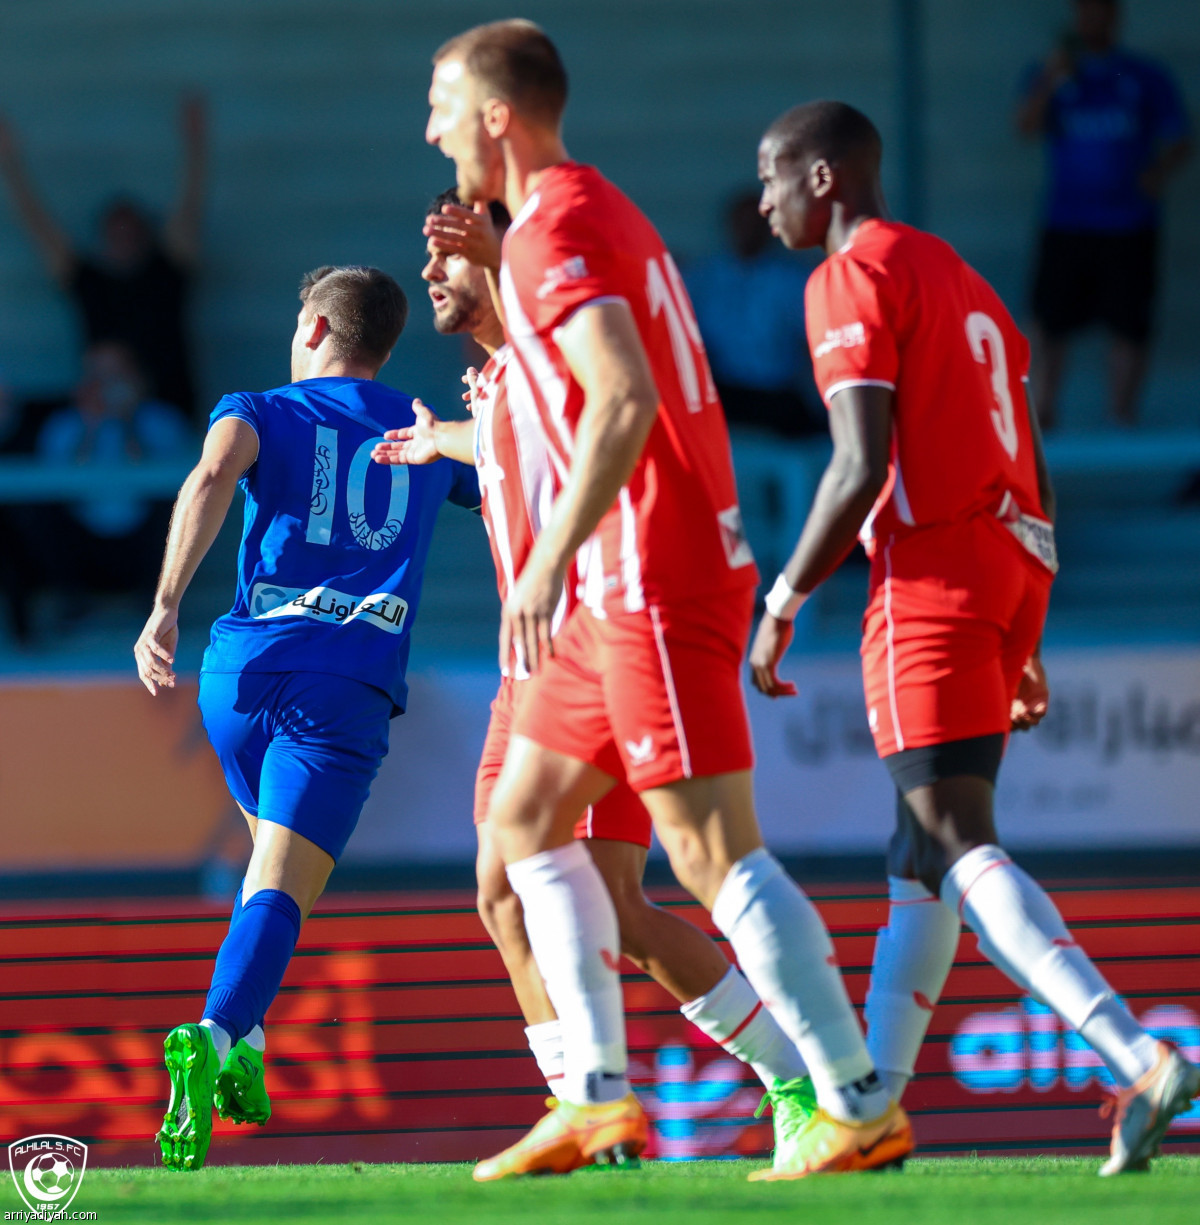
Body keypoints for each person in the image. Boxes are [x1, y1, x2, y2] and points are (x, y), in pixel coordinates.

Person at [425, 20, 911, 1182]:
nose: (430, 126)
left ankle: (851, 1098)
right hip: (607, 590)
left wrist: (546, 561)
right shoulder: (559, 226)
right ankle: (596, 1099)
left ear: (498, 115)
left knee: (706, 852)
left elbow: (623, 397)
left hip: (647, 571)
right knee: (522, 831)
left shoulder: (560, 227)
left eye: (440, 102)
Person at [748, 98, 1200, 1177]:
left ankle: (1136, 1055)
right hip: (1007, 562)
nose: (761, 202)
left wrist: (781, 599)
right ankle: (873, 1112)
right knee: (918, 859)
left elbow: (856, 465)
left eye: (772, 177)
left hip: (932, 572)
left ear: (824, 180)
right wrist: (1028, 626)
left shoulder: (850, 277)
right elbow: (1030, 453)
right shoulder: (963, 277)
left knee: (949, 837)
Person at [373, 190, 810, 1112]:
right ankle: (585, 1105)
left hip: (589, 649)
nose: (430, 276)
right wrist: (436, 442)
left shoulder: (546, 357)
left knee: (627, 896)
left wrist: (497, 252)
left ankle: (799, 1074)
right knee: (506, 895)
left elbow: (578, 389)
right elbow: (501, 436)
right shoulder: (496, 384)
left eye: (445, 257)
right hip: (523, 672)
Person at [132, 264, 480, 1171]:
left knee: (268, 877)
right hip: (343, 685)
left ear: (320, 327)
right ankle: (215, 1034)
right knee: (285, 888)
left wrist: (165, 602)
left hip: (237, 675)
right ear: (384, 344)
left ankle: (246, 1045)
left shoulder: (260, 406)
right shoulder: (422, 429)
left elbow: (212, 473)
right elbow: (521, 480)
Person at [1015, 0, 1192, 428]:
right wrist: (1052, 79)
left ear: (1116, 15)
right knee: (1051, 322)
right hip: (1066, 221)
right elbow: (1025, 127)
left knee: (1130, 323)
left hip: (1129, 223)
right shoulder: (1051, 72)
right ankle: (1044, 420)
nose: (1092, 18)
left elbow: (1181, 137)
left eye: (1102, 9)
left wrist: (1157, 173)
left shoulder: (1145, 74)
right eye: (1084, 9)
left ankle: (1121, 418)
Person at [0, 97, 208, 420]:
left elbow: (191, 209)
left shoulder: (166, 273)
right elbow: (37, 225)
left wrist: (196, 142)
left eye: (130, 231)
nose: (122, 240)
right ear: (102, 237)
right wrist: (9, 161)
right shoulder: (88, 280)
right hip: (101, 420)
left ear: (145, 235)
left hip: (170, 414)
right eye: (115, 232)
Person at [34, 342, 192, 613]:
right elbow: (57, 484)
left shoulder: (162, 420)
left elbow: (173, 481)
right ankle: (70, 603)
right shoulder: (64, 425)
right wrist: (91, 427)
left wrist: (128, 421)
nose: (106, 386)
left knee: (177, 510)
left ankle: (159, 607)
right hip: (84, 543)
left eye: (115, 375)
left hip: (146, 547)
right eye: (97, 376)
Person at [685, 189, 821, 437]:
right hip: (723, 393)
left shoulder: (793, 279)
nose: (747, 230)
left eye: (754, 222)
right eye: (741, 222)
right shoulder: (704, 276)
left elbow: (811, 343)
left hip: (777, 394)